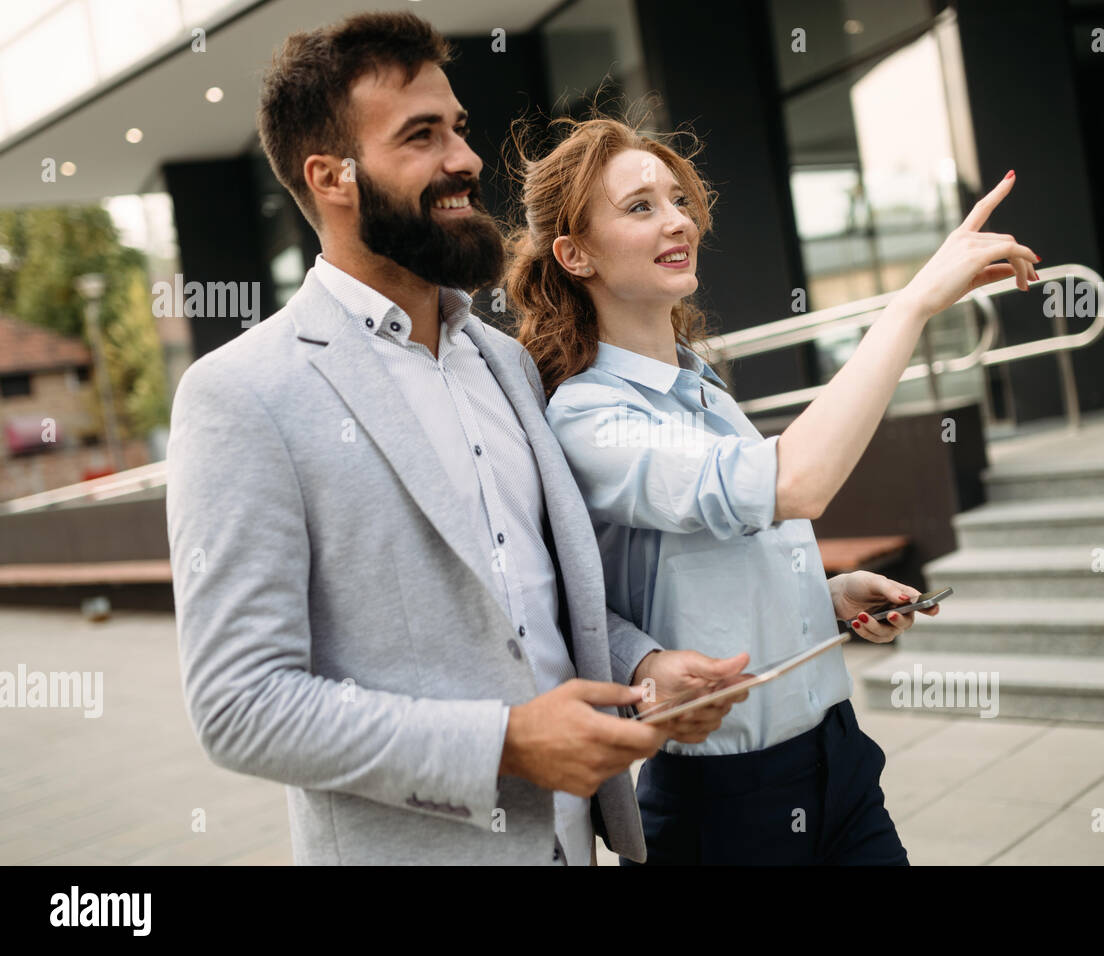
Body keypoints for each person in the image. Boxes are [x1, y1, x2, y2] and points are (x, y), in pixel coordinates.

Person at [166, 12, 746, 867]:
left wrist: (644, 666)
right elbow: (241, 708)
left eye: (460, 129)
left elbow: (534, 606)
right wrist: (506, 744)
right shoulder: (240, 394)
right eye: (421, 136)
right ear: (332, 175)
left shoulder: (506, 363)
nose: (466, 160)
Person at [507, 114, 1038, 865]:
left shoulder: (701, 385)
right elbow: (796, 482)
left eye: (676, 199)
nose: (677, 220)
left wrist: (823, 599)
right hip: (728, 806)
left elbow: (703, 578)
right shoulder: (589, 416)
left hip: (841, 761)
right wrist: (912, 303)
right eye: (640, 207)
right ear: (575, 254)